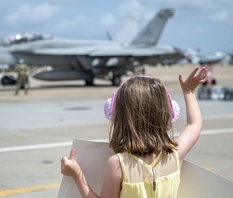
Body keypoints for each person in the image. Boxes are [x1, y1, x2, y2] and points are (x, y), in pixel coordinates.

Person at [60, 67, 208, 198]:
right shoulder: (175, 154)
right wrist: (188, 91)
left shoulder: (118, 164)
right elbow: (194, 124)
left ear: (119, 117)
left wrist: (77, 174)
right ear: (168, 113)